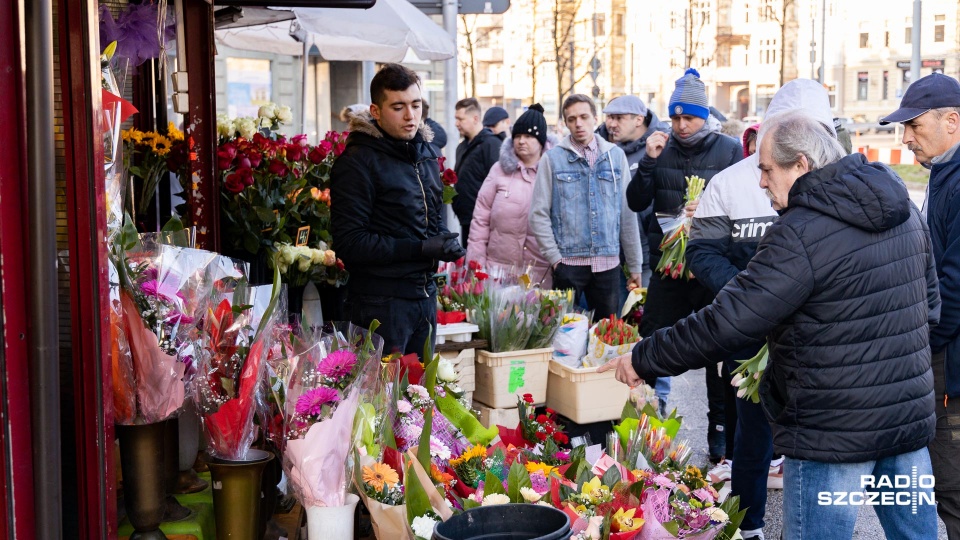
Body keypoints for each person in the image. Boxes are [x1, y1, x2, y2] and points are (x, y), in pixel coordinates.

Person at [601, 110, 940, 540]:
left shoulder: (800, 233)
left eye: (766, 169)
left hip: (831, 432)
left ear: (801, 164)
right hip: (905, 421)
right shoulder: (904, 209)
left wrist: (645, 356)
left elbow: (729, 321)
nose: (761, 182)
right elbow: (931, 309)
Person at [687, 79, 837, 540]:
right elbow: (702, 251)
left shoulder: (838, 184)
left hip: (819, 334)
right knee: (752, 434)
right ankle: (747, 523)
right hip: (752, 330)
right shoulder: (732, 182)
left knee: (820, 439)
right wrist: (751, 295)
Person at [626, 68, 743, 461]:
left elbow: (743, 202)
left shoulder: (728, 150)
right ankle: (644, 419)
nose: (680, 125)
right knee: (653, 338)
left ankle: (721, 434)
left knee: (718, 349)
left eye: (688, 117)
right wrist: (648, 161)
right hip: (669, 267)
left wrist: (708, 206)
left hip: (710, 265)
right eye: (674, 117)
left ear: (704, 116)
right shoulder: (659, 148)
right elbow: (636, 201)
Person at [330, 63, 465, 357]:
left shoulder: (425, 153)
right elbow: (349, 243)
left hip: (424, 297)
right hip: (380, 303)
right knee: (382, 398)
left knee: (420, 395)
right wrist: (420, 249)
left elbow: (428, 221)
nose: (410, 116)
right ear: (375, 111)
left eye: (416, 105)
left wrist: (443, 241)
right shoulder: (357, 162)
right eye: (398, 107)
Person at [880, 71, 960, 539]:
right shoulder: (944, 174)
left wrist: (920, 342)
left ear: (952, 121)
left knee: (952, 489)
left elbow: (953, 288)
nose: (906, 137)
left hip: (950, 363)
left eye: (914, 124)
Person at [529, 94, 643, 319]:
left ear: (595, 118)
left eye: (583, 117)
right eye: (572, 119)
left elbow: (627, 214)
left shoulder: (615, 156)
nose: (578, 123)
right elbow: (538, 214)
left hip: (608, 264)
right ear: (565, 122)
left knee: (606, 334)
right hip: (568, 263)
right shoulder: (552, 159)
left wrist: (635, 264)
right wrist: (555, 259)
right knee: (564, 336)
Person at [467, 104, 557, 287]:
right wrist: (476, 263)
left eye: (529, 136)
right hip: (497, 271)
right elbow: (480, 219)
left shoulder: (554, 173)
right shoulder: (499, 170)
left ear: (541, 141)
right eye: (517, 136)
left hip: (539, 273)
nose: (521, 141)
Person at [600, 95, 669, 288]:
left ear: (639, 119)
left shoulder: (662, 146)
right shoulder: (602, 148)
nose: (611, 124)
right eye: (609, 117)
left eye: (618, 118)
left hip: (649, 255)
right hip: (609, 255)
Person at [453, 98, 503, 249]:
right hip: (466, 219)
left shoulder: (491, 144)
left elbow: (499, 184)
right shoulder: (461, 147)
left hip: (484, 222)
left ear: (475, 118)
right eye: (456, 119)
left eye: (460, 119)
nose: (457, 123)